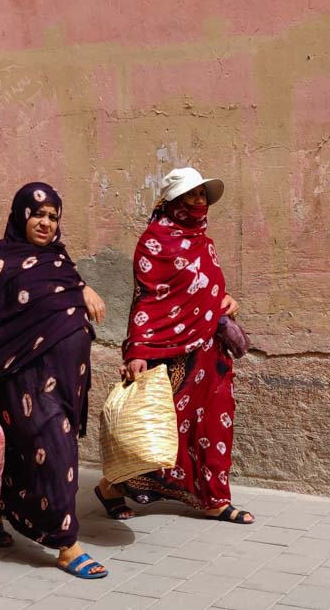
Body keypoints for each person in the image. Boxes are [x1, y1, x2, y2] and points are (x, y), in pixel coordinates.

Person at [0, 182, 109, 579]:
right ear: (21, 214)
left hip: (65, 384)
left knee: (23, 458)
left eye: (53, 217)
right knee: (57, 457)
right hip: (22, 384)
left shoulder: (58, 260)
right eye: (38, 214)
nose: (45, 223)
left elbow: (59, 294)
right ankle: (66, 545)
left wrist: (83, 286)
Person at [94, 167, 254, 524]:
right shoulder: (154, 242)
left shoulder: (203, 241)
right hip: (169, 352)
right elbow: (148, 300)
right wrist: (137, 351)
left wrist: (225, 300)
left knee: (214, 424)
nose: (199, 202)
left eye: (202, 195)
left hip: (210, 352)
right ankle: (111, 487)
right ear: (173, 202)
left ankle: (214, 498)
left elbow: (203, 286)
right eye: (190, 196)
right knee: (160, 427)